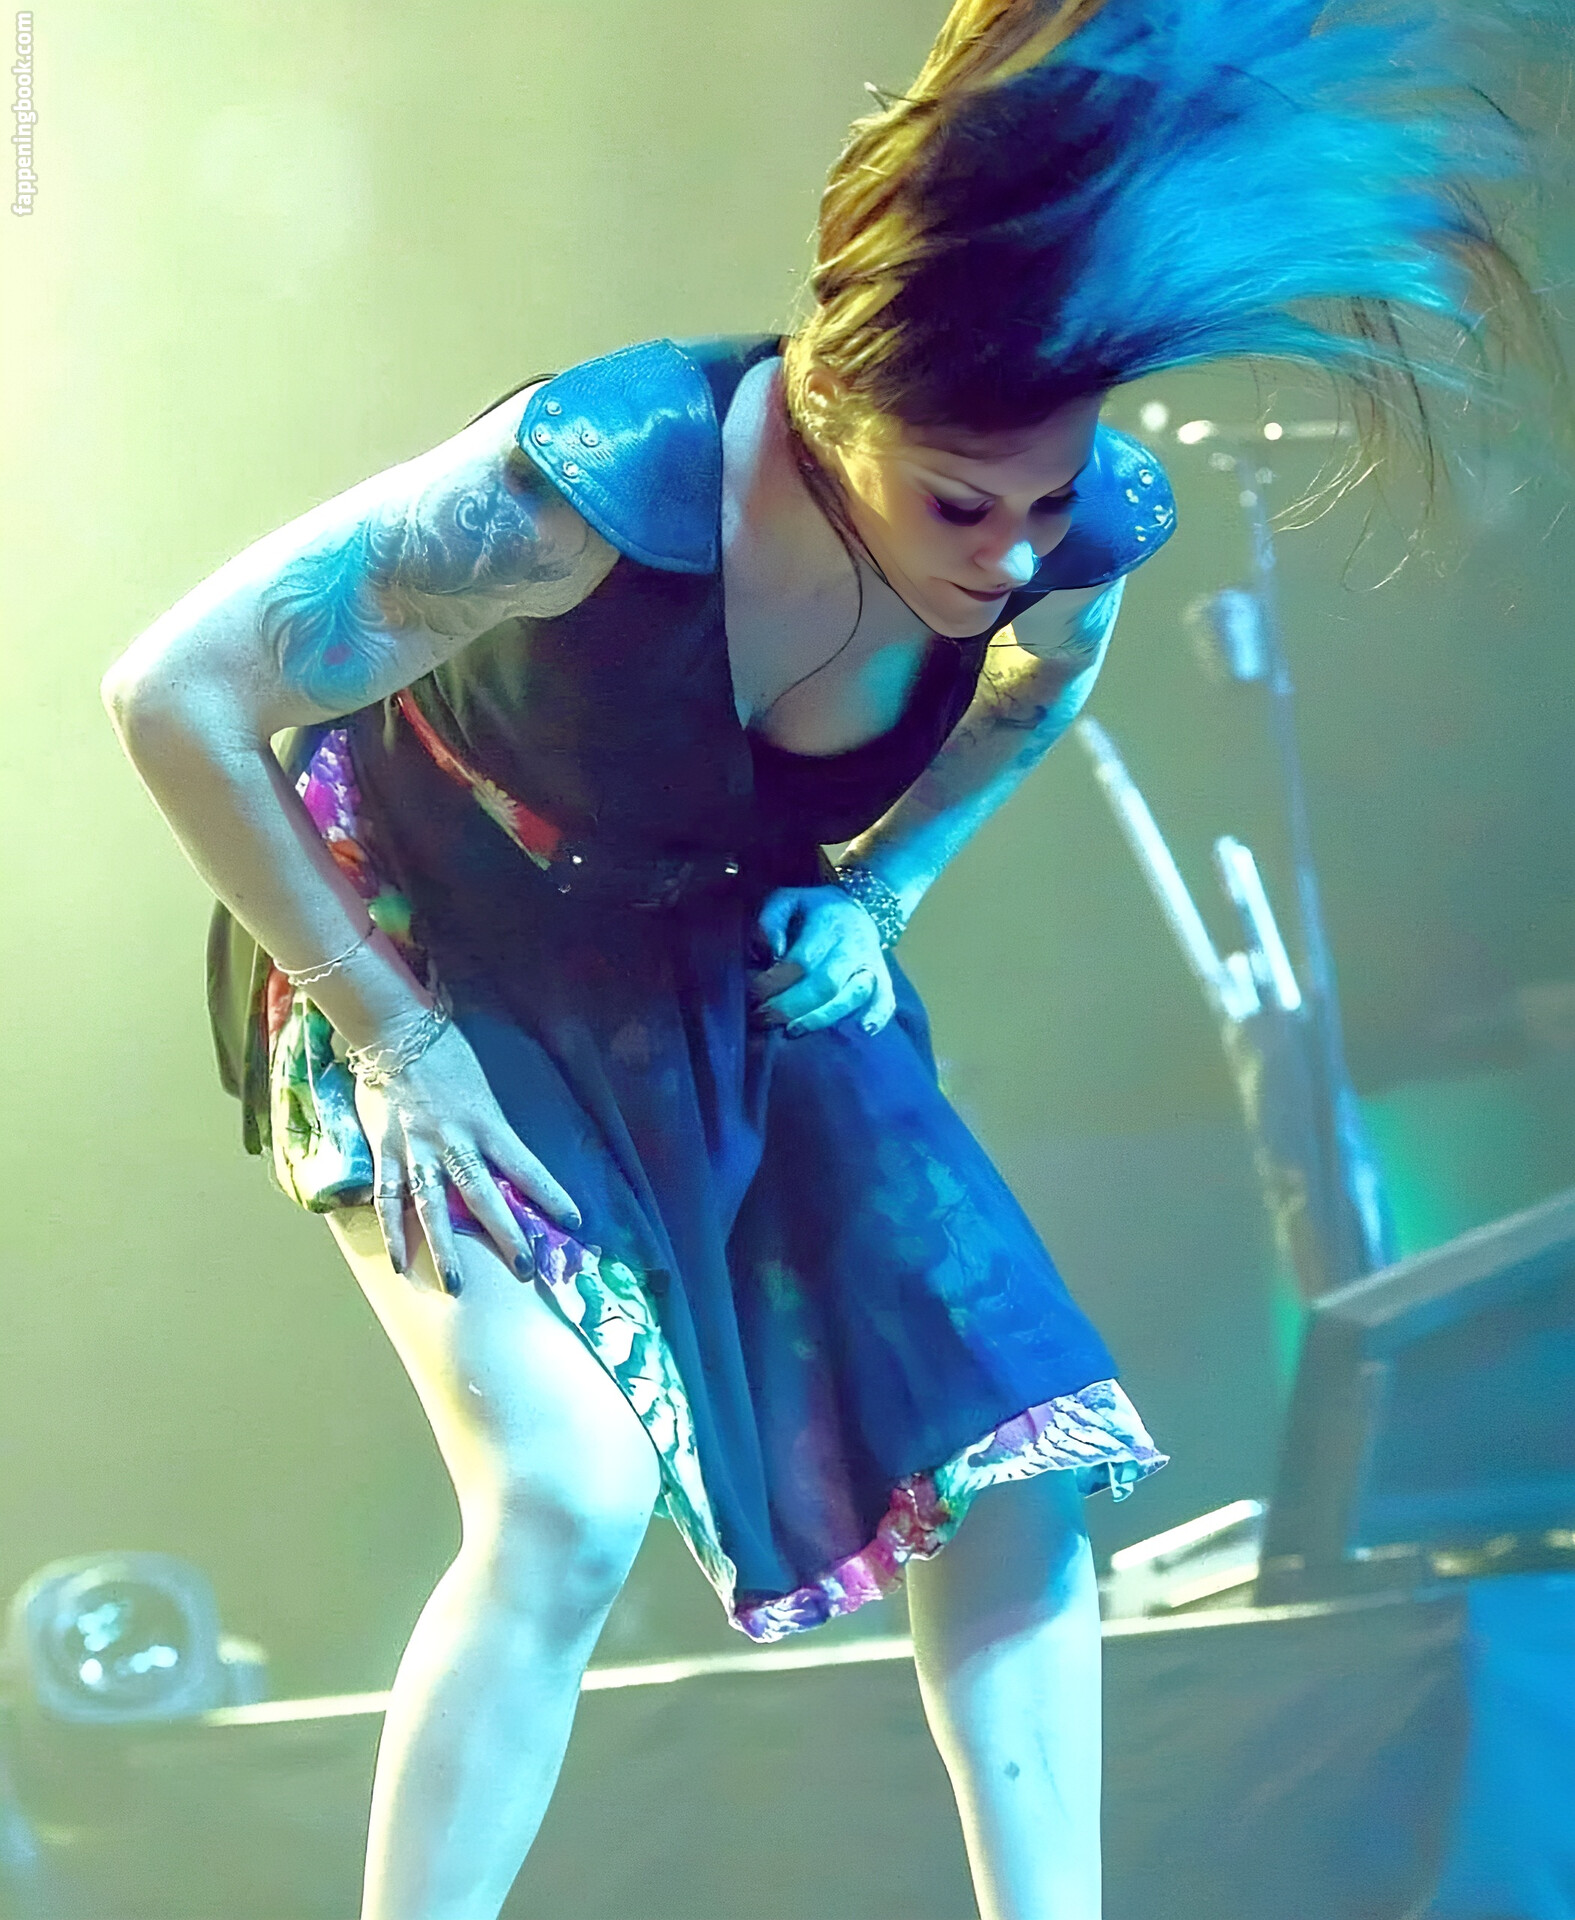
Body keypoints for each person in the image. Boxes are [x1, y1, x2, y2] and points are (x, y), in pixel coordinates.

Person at [101, 2, 1541, 1915]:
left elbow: (1032, 691)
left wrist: (881, 895)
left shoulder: (1076, 537)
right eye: (962, 504)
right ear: (835, 398)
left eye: (1044, 503)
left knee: (1014, 1451)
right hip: (430, 946)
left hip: (722, 946)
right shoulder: (586, 485)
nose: (1010, 555)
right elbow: (175, 695)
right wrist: (392, 1035)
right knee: (566, 1502)